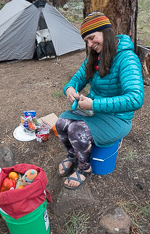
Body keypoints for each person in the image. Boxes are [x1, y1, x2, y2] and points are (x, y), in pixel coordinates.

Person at [56, 12, 144, 190]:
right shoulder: (94, 57)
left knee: (75, 129)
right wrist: (70, 89)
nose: (90, 44)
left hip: (117, 118)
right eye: (87, 41)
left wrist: (94, 104)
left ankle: (84, 169)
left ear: (105, 32)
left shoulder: (127, 59)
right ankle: (73, 155)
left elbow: (136, 98)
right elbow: (77, 79)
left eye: (92, 38)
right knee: (61, 123)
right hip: (94, 112)